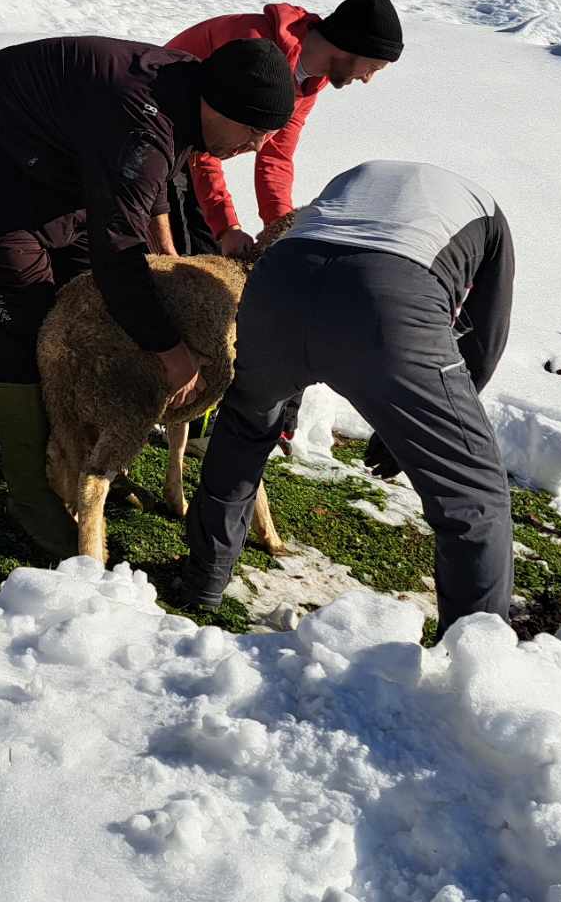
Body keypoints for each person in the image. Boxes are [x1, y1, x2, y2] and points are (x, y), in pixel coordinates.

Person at [0, 35, 298, 557]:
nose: (257, 146)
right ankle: (32, 494)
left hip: (56, 173)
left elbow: (160, 179)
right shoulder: (140, 123)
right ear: (221, 106)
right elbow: (118, 247)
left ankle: (80, 462)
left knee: (92, 311)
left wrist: (165, 254)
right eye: (254, 130)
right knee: (29, 325)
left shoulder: (188, 89)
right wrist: (170, 351)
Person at [175, 160, 517, 627]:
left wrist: (286, 401)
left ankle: (202, 581)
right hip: (388, 302)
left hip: (280, 282)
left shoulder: (357, 176)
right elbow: (482, 341)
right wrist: (410, 429)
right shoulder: (488, 214)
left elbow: (315, 285)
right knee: (474, 497)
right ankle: (473, 660)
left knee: (246, 425)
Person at [157, 0, 404, 260]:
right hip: (155, 135)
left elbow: (276, 155)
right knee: (191, 260)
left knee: (207, 252)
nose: (368, 78)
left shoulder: (310, 80)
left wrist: (280, 229)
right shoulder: (254, 48)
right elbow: (209, 140)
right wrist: (227, 226)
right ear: (352, 47)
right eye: (373, 67)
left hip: (191, 150)